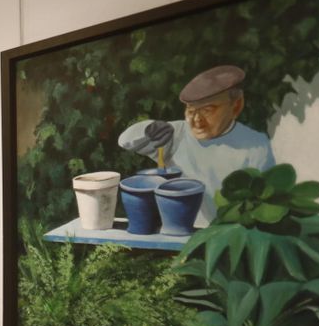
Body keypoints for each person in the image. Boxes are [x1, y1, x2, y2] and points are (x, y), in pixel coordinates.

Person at [116, 64, 275, 224]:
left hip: (231, 235)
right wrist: (150, 129)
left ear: (236, 106)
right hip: (180, 235)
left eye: (207, 110)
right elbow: (125, 141)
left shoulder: (255, 144)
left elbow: (264, 204)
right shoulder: (177, 133)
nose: (197, 120)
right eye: (191, 111)